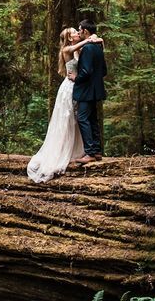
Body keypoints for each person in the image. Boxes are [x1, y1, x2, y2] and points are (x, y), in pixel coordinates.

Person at [26, 26, 103, 183]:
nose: (77, 33)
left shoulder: (80, 48)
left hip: (80, 85)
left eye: (77, 31)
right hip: (70, 87)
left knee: (81, 118)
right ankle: (66, 150)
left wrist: (98, 39)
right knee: (71, 118)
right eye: (74, 32)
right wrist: (91, 38)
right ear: (69, 38)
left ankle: (86, 150)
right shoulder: (67, 49)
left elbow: (91, 44)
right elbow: (85, 43)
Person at [71, 18, 107, 164]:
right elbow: (104, 71)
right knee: (92, 119)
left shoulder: (87, 48)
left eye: (80, 30)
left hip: (86, 90)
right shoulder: (98, 48)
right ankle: (97, 151)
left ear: (85, 31)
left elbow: (85, 71)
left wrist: (76, 78)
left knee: (82, 118)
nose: (79, 32)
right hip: (96, 89)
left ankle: (90, 153)